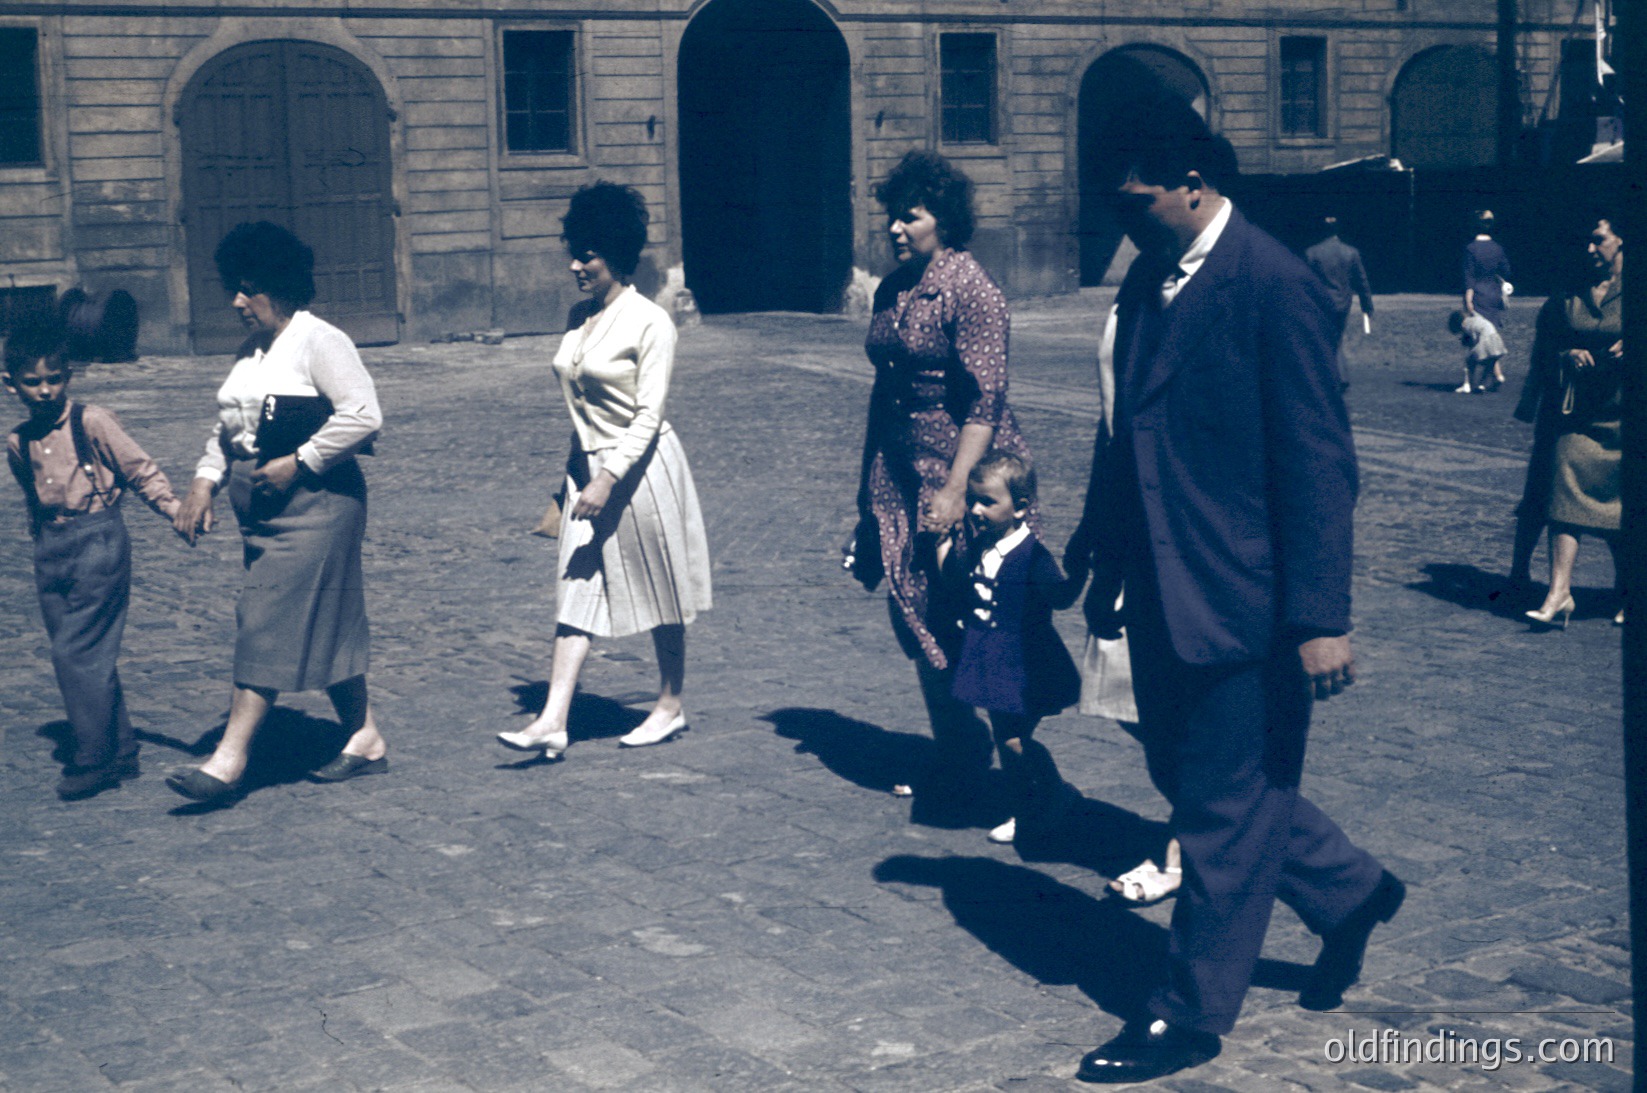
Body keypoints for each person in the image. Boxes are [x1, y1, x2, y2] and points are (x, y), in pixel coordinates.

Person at [1069, 98, 1401, 1084]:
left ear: (1194, 183)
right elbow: (1123, 434)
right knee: (1200, 780)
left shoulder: (1275, 285)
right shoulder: (1145, 280)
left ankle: (1187, 1011)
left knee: (1216, 810)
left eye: (1137, 201)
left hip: (1248, 600)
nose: (1123, 220)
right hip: (1163, 585)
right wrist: (1105, 562)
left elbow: (1318, 462)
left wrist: (1321, 618)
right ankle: (1351, 891)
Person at [169, 222, 388, 802]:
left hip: (319, 506)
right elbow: (228, 429)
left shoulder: (321, 340)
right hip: (262, 515)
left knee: (263, 619)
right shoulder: (253, 350)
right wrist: (204, 481)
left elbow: (364, 415)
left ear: (281, 285)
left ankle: (229, 759)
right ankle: (364, 738)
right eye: (234, 289)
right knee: (329, 620)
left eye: (249, 289)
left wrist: (301, 460)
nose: (237, 301)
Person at [849, 150, 1035, 821]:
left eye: (911, 216)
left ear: (944, 219)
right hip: (899, 474)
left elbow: (986, 400)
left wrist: (957, 490)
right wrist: (865, 492)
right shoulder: (892, 289)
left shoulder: (970, 287)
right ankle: (958, 757)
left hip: (969, 477)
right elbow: (883, 391)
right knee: (917, 615)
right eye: (891, 216)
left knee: (983, 627)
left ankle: (1025, 786)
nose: (896, 228)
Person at [497, 182, 711, 758]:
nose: (576, 265)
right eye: (574, 252)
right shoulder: (578, 317)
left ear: (616, 254)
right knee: (575, 587)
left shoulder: (650, 322)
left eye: (587, 255)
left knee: (660, 587)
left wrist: (608, 476)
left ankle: (669, 704)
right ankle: (553, 719)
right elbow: (581, 410)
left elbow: (649, 415)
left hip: (642, 471)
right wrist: (568, 479)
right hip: (584, 473)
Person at [5, 323, 181, 800]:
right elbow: (30, 492)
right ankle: (121, 749)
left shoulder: (92, 421)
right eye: (32, 381)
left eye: (54, 379)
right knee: (86, 652)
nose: (45, 390)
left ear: (68, 377)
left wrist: (175, 511)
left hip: (98, 540)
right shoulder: (17, 442)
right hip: (51, 545)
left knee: (74, 653)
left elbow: (139, 468)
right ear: (10, 384)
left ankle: (94, 758)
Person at [1067, 304, 1182, 906]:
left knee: (1190, 724)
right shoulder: (1127, 306)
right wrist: (1093, 534)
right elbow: (1110, 431)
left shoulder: (1245, 288)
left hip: (1196, 555)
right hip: (1131, 539)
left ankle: (1182, 849)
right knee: (1134, 703)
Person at [933, 451, 1080, 845]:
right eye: (973, 499)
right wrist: (942, 545)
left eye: (988, 501)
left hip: (1027, 664)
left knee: (1016, 741)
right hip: (989, 659)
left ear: (1020, 507)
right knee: (1005, 737)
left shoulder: (1033, 556)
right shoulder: (982, 544)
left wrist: (1082, 570)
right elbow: (959, 581)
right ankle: (1026, 804)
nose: (975, 509)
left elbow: (1061, 597)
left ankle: (1052, 796)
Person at [1522, 217, 1625, 630]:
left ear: (1622, 240)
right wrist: (1567, 353)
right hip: (1581, 412)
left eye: (1598, 240)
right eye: (1585, 240)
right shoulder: (1570, 287)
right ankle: (1559, 593)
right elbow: (1546, 341)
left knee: (1628, 505)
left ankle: (1630, 590)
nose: (1589, 249)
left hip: (1629, 414)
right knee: (1563, 482)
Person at [1303, 216, 1373, 388]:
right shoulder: (1351, 253)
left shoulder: (1312, 253)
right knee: (1336, 337)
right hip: (1343, 302)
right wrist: (1367, 306)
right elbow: (1361, 281)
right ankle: (1339, 375)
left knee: (1325, 338)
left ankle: (1332, 375)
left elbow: (1304, 281)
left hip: (1320, 303)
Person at [1462, 209, 1512, 391]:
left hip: (1478, 295)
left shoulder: (1471, 249)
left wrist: (1468, 300)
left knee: (1478, 339)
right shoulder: (1498, 248)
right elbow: (1506, 270)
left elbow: (1469, 276)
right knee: (1491, 337)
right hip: (1494, 295)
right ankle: (1491, 377)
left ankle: (1480, 380)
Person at [1448, 309, 1507, 394]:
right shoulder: (1477, 317)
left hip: (1485, 340)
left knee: (1470, 361)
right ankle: (1483, 385)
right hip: (1495, 338)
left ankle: (1467, 384)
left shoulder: (1466, 325)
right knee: (1490, 363)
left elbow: (1474, 340)